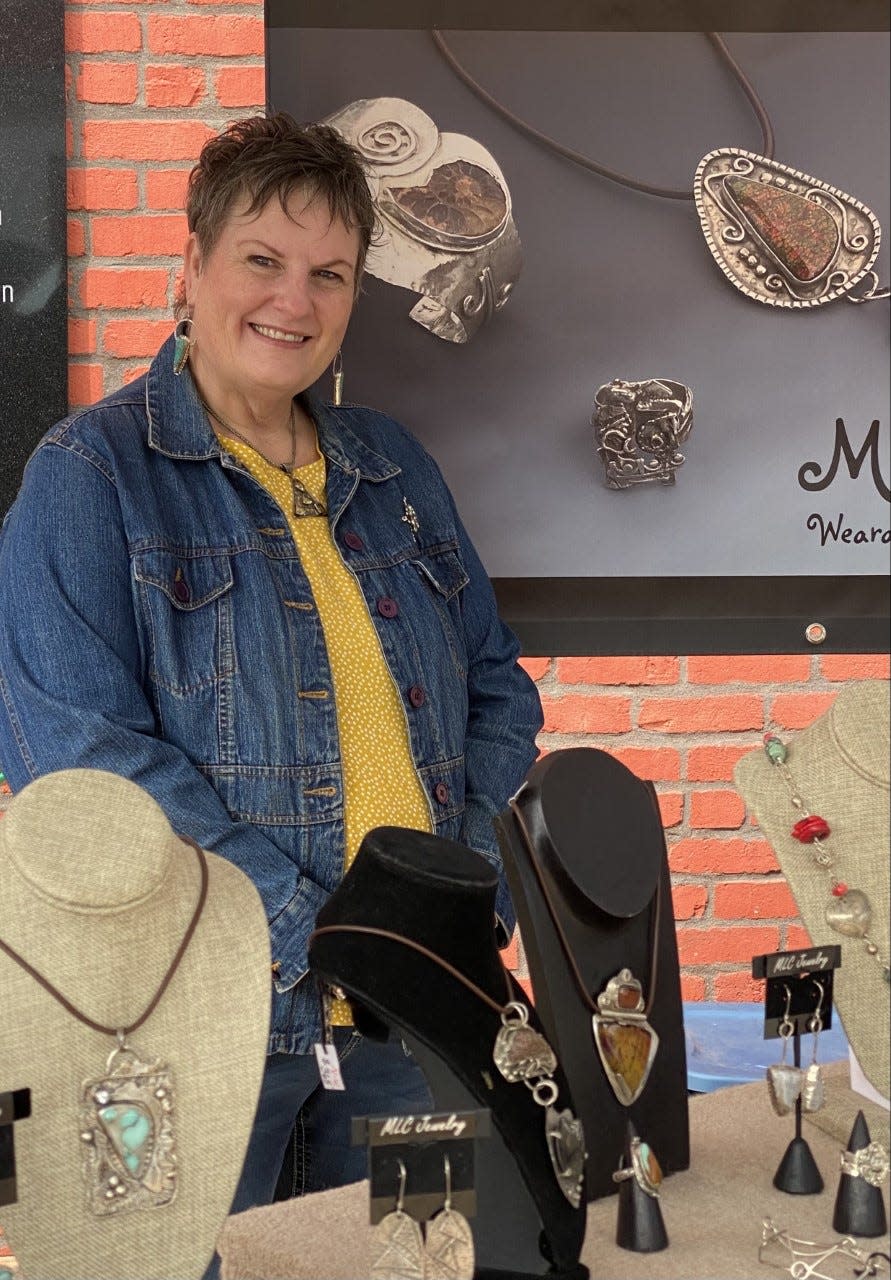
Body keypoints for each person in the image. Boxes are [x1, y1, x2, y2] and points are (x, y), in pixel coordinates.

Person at [0, 113, 543, 1219]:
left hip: (415, 1021)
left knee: (419, 1256)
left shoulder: (394, 467)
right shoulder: (89, 476)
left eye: (329, 273)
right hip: (192, 1036)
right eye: (261, 260)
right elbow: (85, 773)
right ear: (191, 267)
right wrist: (329, 935)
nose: (294, 301)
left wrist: (453, 902)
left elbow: (499, 688)